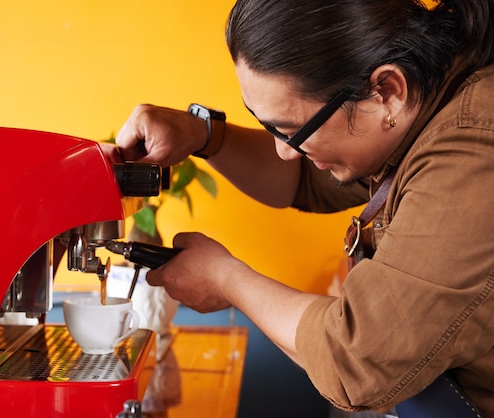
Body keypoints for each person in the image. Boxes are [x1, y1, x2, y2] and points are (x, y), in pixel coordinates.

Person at [114, 0, 494, 416]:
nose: (283, 152)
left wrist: (227, 279)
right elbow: (302, 183)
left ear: (386, 90)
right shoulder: (429, 91)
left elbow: (356, 361)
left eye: (293, 131)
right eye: (269, 126)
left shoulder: (473, 149)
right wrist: (205, 135)